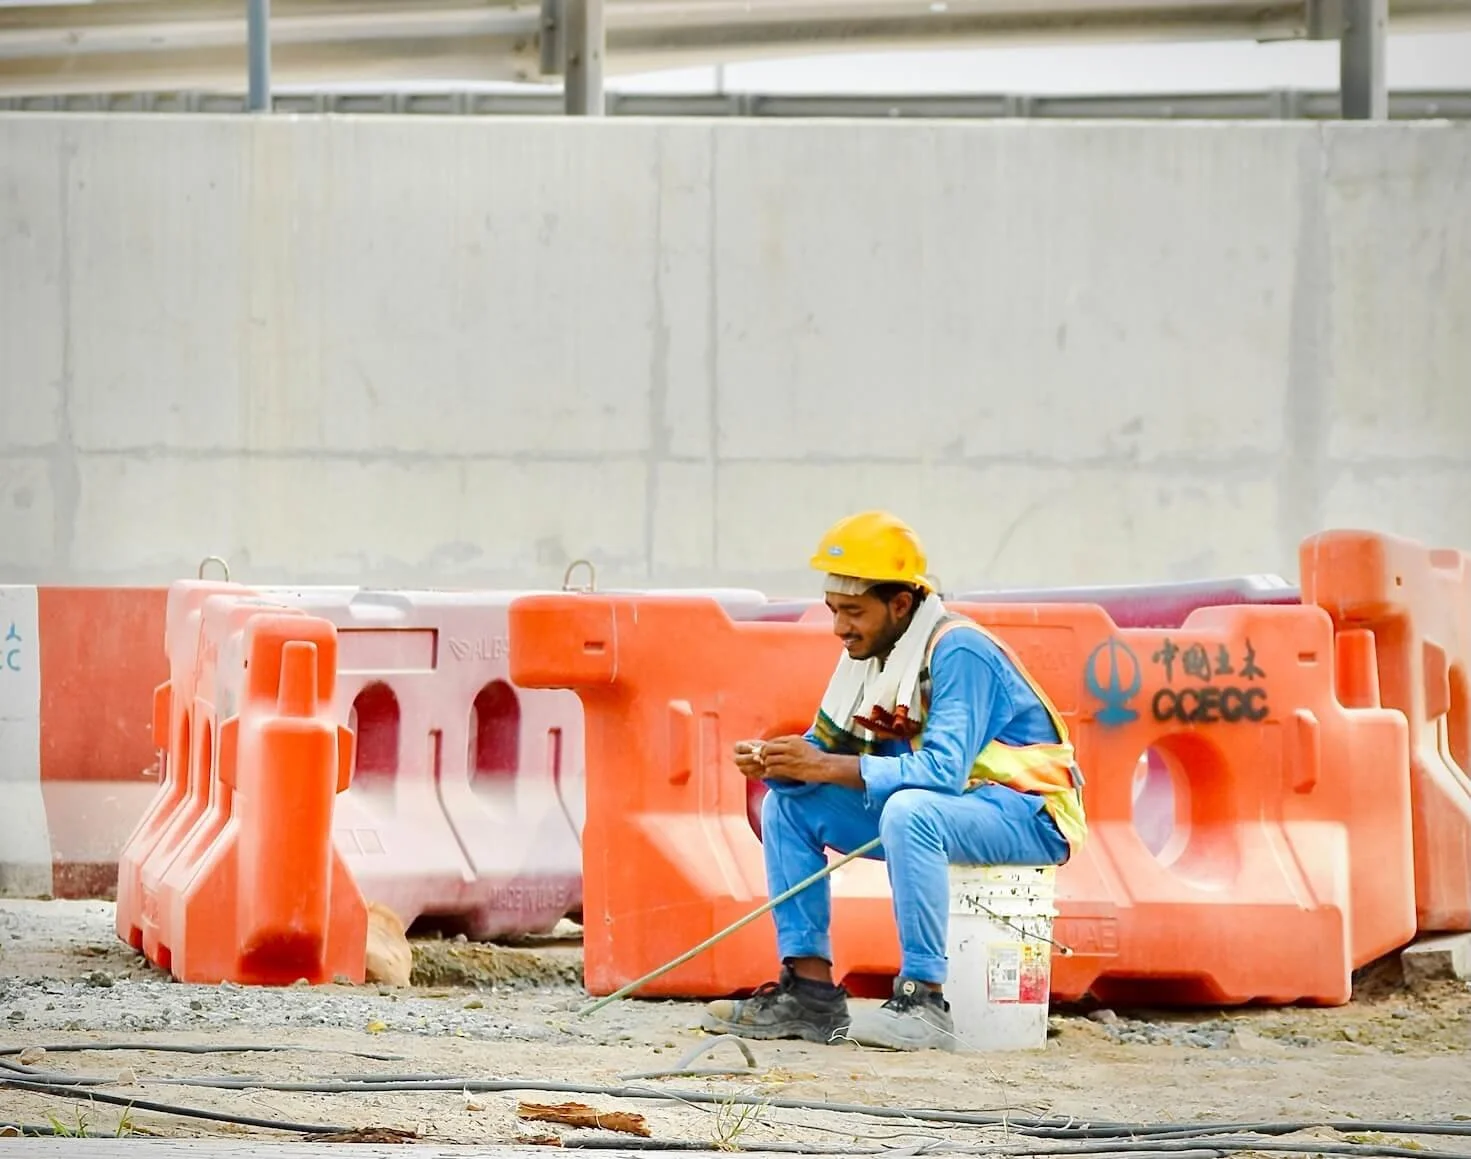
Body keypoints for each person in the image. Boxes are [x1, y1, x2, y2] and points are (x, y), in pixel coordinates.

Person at [701, 510, 1087, 1052]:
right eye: (834, 611)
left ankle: (922, 1003)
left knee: (911, 810)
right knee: (786, 807)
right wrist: (781, 766)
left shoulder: (959, 651)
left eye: (853, 612)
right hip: (949, 812)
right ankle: (809, 993)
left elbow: (940, 774)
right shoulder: (868, 658)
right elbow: (826, 755)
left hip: (1025, 814)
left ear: (900, 604)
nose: (840, 628)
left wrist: (823, 766)